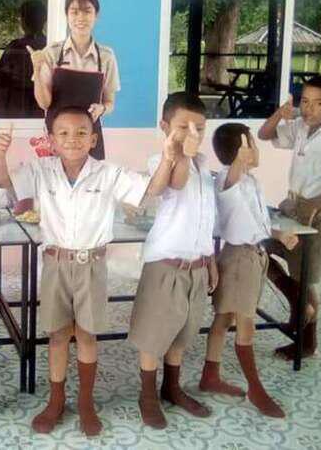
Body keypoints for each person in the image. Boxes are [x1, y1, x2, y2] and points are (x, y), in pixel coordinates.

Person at [0, 106, 169, 437]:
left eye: (80, 133)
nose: (72, 139)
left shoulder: (108, 173)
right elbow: (3, 180)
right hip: (55, 264)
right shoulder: (40, 170)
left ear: (93, 139)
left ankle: (86, 402)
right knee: (58, 334)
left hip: (92, 266)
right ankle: (56, 400)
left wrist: (169, 155)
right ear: (51, 140)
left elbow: (151, 190)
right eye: (63, 133)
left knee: (87, 335)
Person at [128, 92, 217, 429]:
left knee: (183, 332)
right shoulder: (160, 161)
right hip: (166, 264)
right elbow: (175, 185)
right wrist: (182, 154)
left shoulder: (204, 166)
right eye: (183, 127)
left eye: (199, 128)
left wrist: (210, 258)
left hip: (197, 265)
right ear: (165, 126)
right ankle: (147, 395)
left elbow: (206, 218)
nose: (192, 134)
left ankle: (172, 387)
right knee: (154, 333)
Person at [257, 75, 321, 358]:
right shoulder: (303, 126)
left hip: (316, 212)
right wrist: (280, 114)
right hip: (292, 206)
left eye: (318, 103)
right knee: (260, 248)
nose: (309, 109)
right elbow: (264, 135)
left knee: (304, 276)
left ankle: (308, 342)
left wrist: (315, 203)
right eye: (304, 101)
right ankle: (300, 309)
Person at [199, 123, 299, 418]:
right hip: (238, 259)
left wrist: (278, 235)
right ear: (242, 150)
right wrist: (239, 161)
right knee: (245, 324)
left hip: (253, 255)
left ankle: (210, 375)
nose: (257, 149)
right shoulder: (227, 179)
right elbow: (231, 180)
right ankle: (256, 389)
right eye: (252, 143)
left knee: (224, 318)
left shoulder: (251, 182)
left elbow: (255, 220)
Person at [27, 0, 120, 159]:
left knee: (91, 176)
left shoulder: (106, 56)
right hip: (58, 136)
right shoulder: (52, 53)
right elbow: (44, 103)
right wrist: (37, 69)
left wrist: (102, 109)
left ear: (96, 16)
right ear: (67, 15)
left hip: (88, 136)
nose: (81, 18)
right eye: (74, 12)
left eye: (87, 11)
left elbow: (110, 102)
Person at [0, 0, 47, 116]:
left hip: (21, 104)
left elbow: (0, 79)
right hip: (34, 107)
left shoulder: (16, 46)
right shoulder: (50, 44)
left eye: (24, 17)